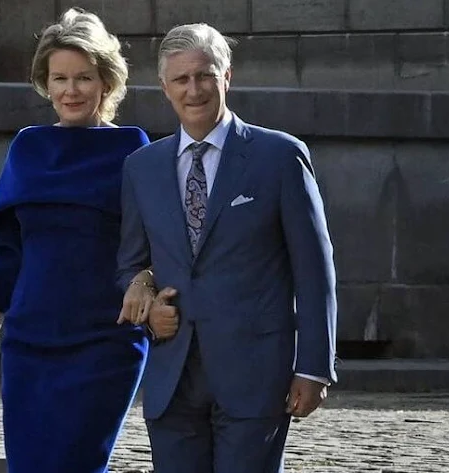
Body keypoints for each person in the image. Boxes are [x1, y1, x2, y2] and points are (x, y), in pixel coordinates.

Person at [116, 22, 338, 473]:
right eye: (181, 79)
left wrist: (313, 367)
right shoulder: (142, 167)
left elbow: (314, 269)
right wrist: (146, 300)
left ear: (227, 76)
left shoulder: (279, 157)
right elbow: (131, 264)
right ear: (164, 87)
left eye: (205, 75)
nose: (194, 89)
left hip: (256, 375)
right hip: (173, 376)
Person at [0, 8, 160, 473]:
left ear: (106, 83)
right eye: (59, 79)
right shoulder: (28, 147)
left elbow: (164, 242)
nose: (71, 91)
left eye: (84, 78)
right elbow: (7, 255)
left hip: (106, 342)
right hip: (30, 342)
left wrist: (148, 280)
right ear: (45, 84)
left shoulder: (134, 148)